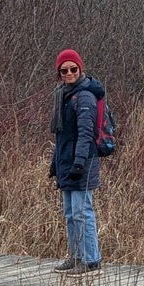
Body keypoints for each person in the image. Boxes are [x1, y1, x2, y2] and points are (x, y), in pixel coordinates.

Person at [50, 48, 105, 273]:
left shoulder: (84, 96)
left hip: (82, 161)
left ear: (80, 69)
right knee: (71, 213)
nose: (69, 73)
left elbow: (85, 133)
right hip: (67, 162)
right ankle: (76, 256)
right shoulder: (63, 95)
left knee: (83, 212)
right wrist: (55, 163)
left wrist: (79, 163)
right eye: (64, 70)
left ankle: (91, 260)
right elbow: (62, 136)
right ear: (59, 73)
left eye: (73, 69)